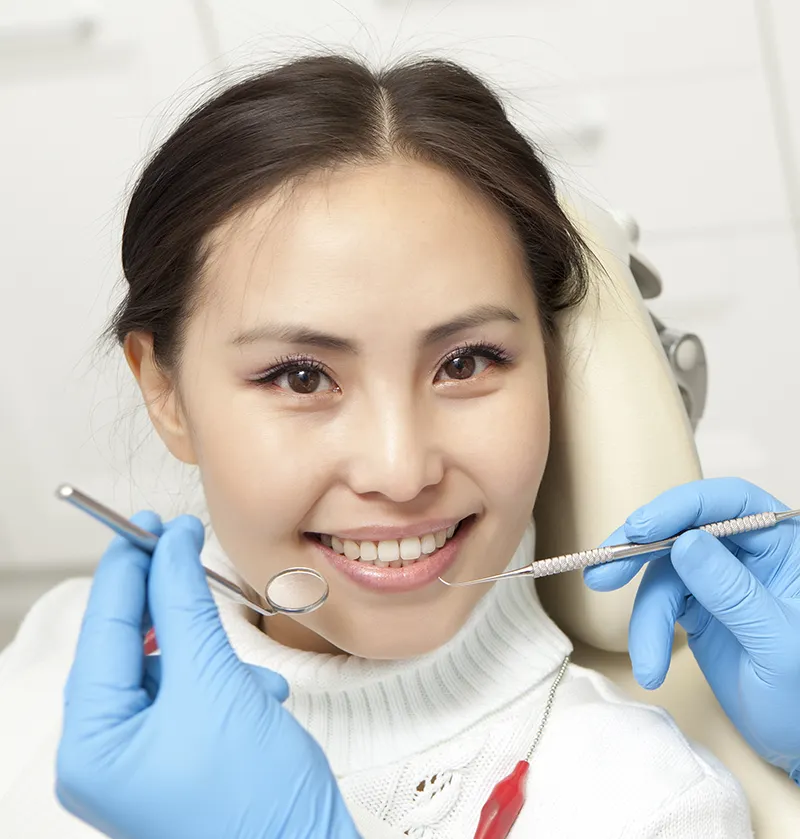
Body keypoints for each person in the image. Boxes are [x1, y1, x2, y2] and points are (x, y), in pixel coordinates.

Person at [0, 53, 784, 838]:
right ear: (164, 391)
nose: (401, 470)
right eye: (302, 377)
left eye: (465, 362)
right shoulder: (64, 648)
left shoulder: (641, 804)